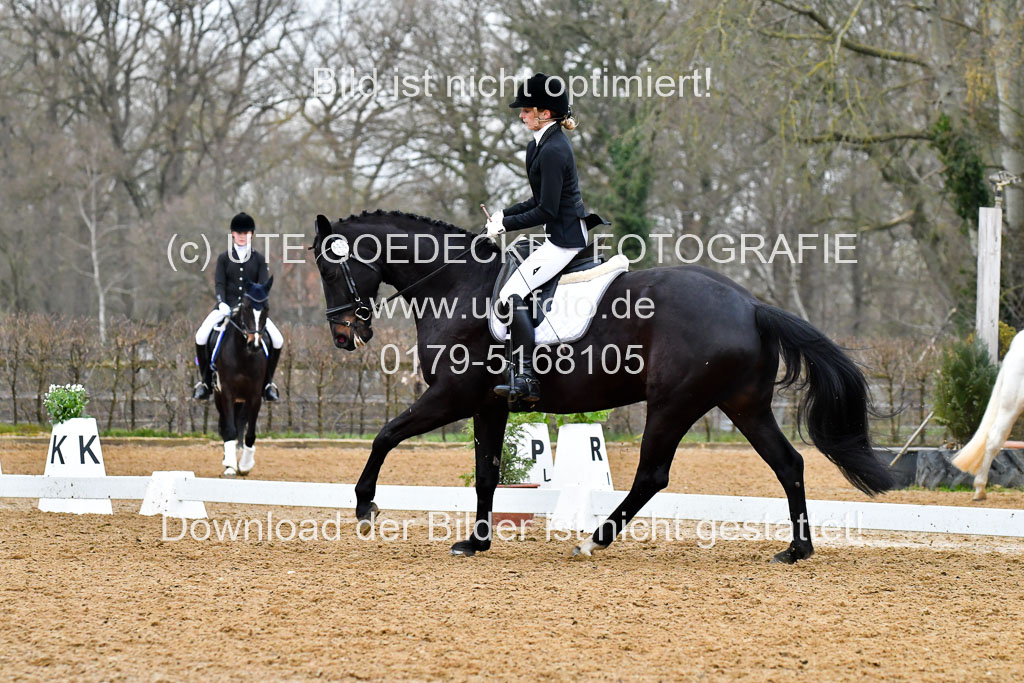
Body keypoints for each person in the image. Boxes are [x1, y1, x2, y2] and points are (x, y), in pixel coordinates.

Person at [486, 73, 608, 403]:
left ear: (545, 113)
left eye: (527, 110)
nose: (521, 115)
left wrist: (506, 226)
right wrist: (502, 215)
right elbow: (535, 199)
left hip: (565, 239)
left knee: (512, 293)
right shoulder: (537, 146)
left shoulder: (555, 150)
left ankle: (527, 377)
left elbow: (547, 211)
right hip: (554, 233)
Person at [192, 212, 283, 401]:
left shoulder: (259, 259)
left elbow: (263, 288)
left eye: (246, 233)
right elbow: (220, 284)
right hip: (226, 307)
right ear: (233, 234)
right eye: (238, 233)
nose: (242, 236)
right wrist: (222, 302)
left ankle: (267, 384)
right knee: (201, 336)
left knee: (278, 340)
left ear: (251, 234)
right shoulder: (224, 258)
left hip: (252, 314)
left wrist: (256, 306)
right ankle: (205, 382)